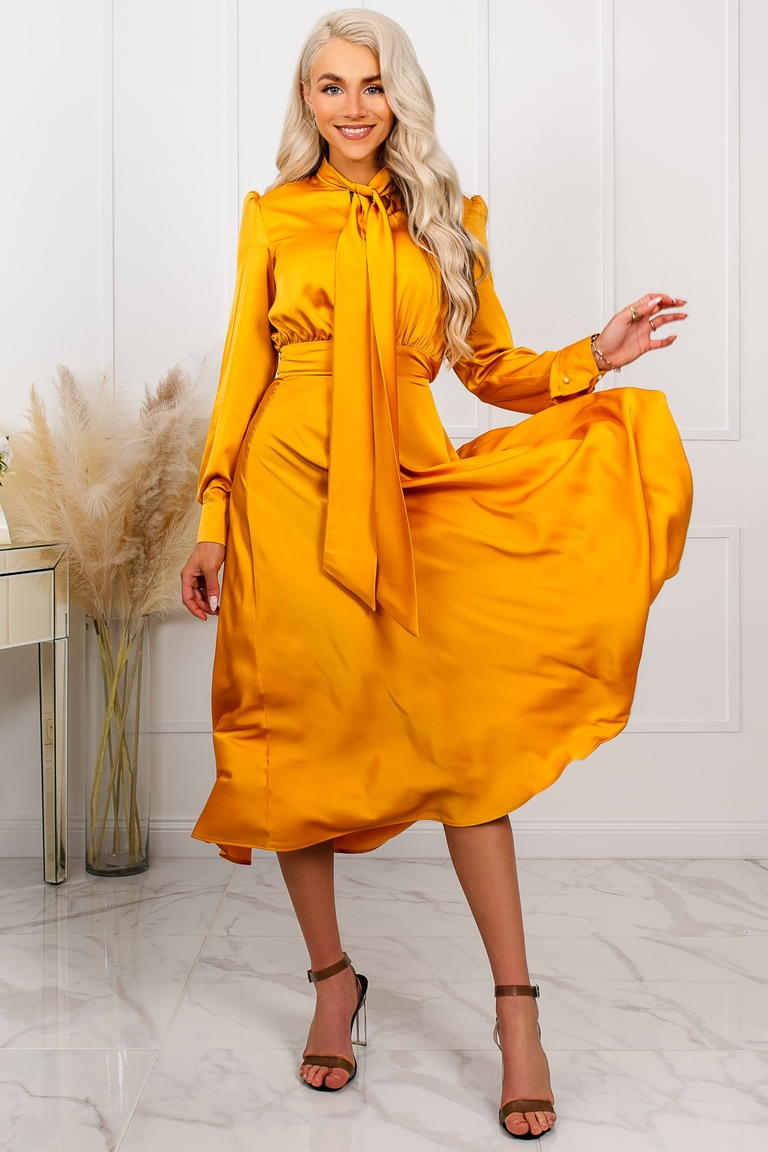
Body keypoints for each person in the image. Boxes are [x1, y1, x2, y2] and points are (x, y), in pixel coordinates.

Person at [181, 8, 691, 1140]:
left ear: (399, 96)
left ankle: (517, 1013)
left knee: (465, 747)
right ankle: (333, 985)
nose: (353, 107)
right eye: (330, 87)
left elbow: (490, 367)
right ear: (306, 101)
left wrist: (594, 356)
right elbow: (241, 370)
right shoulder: (274, 216)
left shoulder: (449, 219)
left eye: (372, 85)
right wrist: (213, 515)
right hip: (285, 490)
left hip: (408, 485)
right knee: (299, 733)